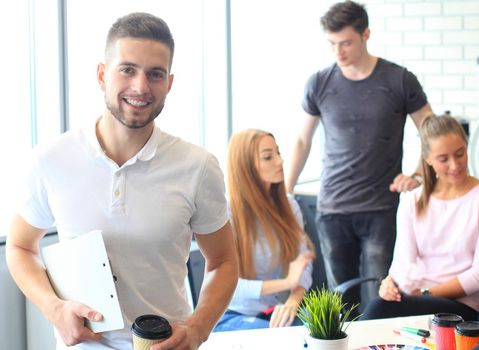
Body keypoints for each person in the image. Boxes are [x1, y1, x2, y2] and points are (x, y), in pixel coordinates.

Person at [5, 12, 238, 350]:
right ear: (102, 75)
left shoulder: (197, 167)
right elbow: (20, 246)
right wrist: (53, 308)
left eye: (155, 74)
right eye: (127, 69)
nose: (141, 87)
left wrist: (199, 328)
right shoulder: (51, 159)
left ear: (169, 84)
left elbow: (225, 262)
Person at [285, 0, 434, 310]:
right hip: (333, 209)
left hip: (381, 208)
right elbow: (302, 140)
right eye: (332, 44)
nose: (338, 52)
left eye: (346, 43)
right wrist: (286, 191)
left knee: (381, 298)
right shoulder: (319, 82)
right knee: (342, 302)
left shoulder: (399, 80)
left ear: (366, 34)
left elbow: (432, 132)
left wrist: (418, 174)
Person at [361, 115, 479, 321]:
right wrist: (389, 283)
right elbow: (403, 262)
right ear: (427, 159)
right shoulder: (412, 200)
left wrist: (425, 293)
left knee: (378, 310)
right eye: (443, 159)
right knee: (380, 306)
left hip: (461, 306)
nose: (455, 165)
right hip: (414, 297)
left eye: (460, 154)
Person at [214, 129, 315, 331]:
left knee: (317, 335)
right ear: (246, 167)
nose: (280, 161)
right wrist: (287, 282)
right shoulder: (225, 214)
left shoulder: (288, 205)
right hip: (230, 315)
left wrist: (292, 302)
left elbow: (302, 263)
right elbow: (229, 286)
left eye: (278, 153)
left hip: (271, 313)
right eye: (268, 157)